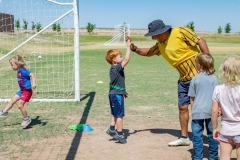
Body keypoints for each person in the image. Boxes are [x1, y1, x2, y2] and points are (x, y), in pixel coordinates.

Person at [128, 19, 210, 146]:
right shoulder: (161, 44)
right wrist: (134, 49)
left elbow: (201, 41)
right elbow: (149, 52)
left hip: (198, 76)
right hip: (183, 80)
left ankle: (213, 137)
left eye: (154, 35)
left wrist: (207, 64)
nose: (153, 38)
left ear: (163, 31)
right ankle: (184, 138)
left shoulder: (181, 31)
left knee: (203, 108)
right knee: (182, 107)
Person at [188, 53, 219, 160]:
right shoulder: (214, 79)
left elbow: (192, 98)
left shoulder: (195, 79)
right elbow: (216, 97)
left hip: (197, 112)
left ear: (200, 65)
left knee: (197, 137)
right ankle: (214, 157)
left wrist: (193, 110)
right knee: (213, 135)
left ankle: (197, 157)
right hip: (211, 112)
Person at [211, 55, 240, 160]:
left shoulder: (218, 89)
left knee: (224, 157)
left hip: (225, 130)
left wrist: (214, 128)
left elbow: (214, 111)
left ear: (223, 71)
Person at [105, 37, 132, 144]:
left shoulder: (113, 69)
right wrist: (128, 47)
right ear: (114, 60)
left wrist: (123, 92)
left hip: (113, 94)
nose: (121, 58)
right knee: (120, 115)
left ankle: (112, 128)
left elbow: (116, 83)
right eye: (119, 56)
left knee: (115, 113)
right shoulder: (116, 68)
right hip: (116, 95)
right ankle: (119, 134)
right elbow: (127, 60)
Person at [0, 55, 36, 128]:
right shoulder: (19, 70)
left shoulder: (23, 71)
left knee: (20, 105)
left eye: (12, 65)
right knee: (12, 100)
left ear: (18, 64)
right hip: (22, 90)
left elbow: (32, 75)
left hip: (27, 91)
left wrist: (34, 83)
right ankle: (4, 112)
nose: (11, 67)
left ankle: (26, 119)